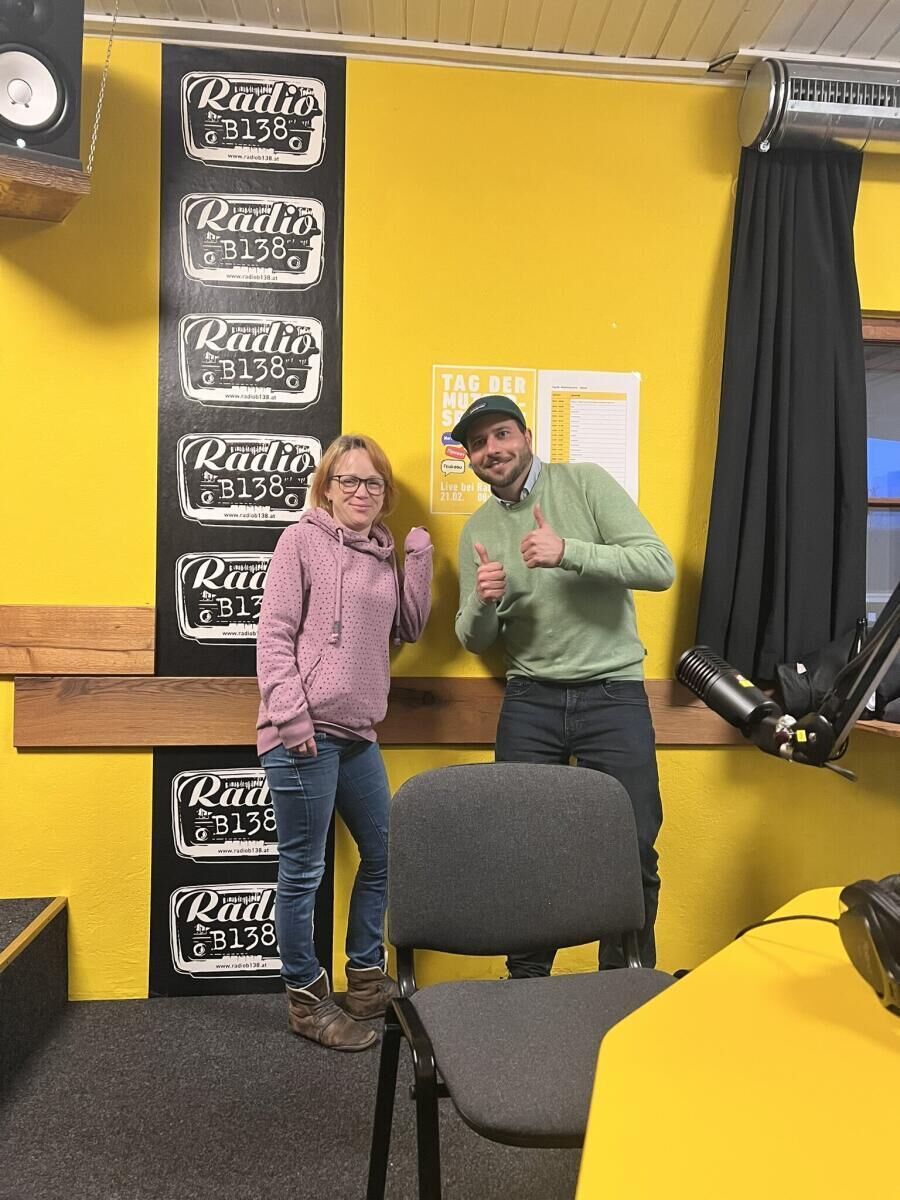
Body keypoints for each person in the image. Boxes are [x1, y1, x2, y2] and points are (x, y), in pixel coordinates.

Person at [453, 395, 674, 976]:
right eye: (479, 443)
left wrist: (568, 552)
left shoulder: (585, 483)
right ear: (471, 458)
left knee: (631, 846)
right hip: (531, 700)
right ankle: (527, 986)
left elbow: (658, 566)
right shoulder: (477, 529)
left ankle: (622, 986)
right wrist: (483, 601)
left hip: (613, 694)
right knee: (522, 849)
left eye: (502, 434)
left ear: (526, 436)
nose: (492, 449)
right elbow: (472, 639)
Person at [257, 433, 433, 1050]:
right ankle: (307, 1000)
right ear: (327, 488)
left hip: (358, 734)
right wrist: (290, 716)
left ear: (385, 493)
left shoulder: (383, 552)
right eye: (348, 480)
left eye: (373, 482)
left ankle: (364, 980)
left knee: (384, 854)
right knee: (304, 870)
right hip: (303, 735)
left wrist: (418, 557)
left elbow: (410, 625)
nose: (361, 491)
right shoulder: (301, 540)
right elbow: (274, 634)